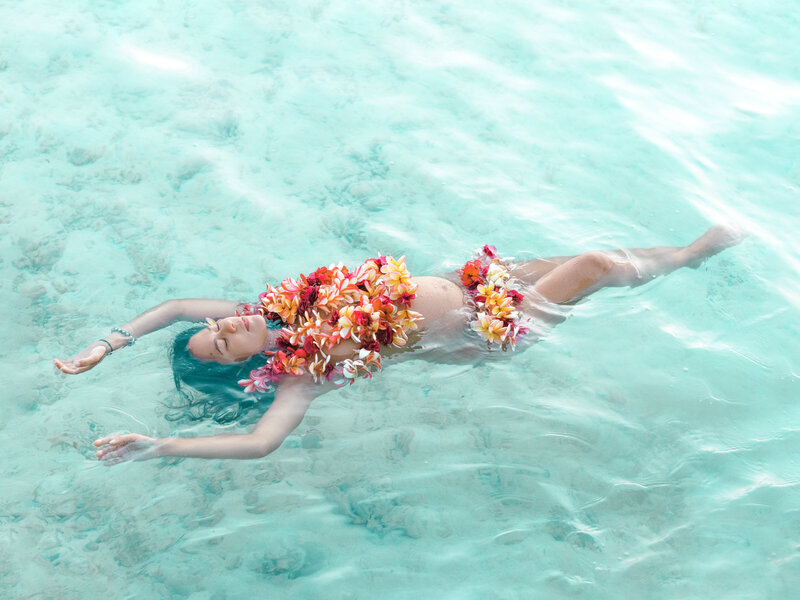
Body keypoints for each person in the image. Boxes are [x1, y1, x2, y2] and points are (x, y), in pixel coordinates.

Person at [54, 226, 742, 465]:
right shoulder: (306, 372)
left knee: (594, 262)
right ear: (253, 365)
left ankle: (684, 258)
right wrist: (160, 445)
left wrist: (105, 346)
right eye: (228, 343)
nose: (229, 327)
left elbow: (172, 305)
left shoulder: (262, 309)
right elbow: (262, 442)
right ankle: (694, 253)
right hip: (487, 328)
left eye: (217, 327)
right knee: (593, 264)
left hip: (472, 282)